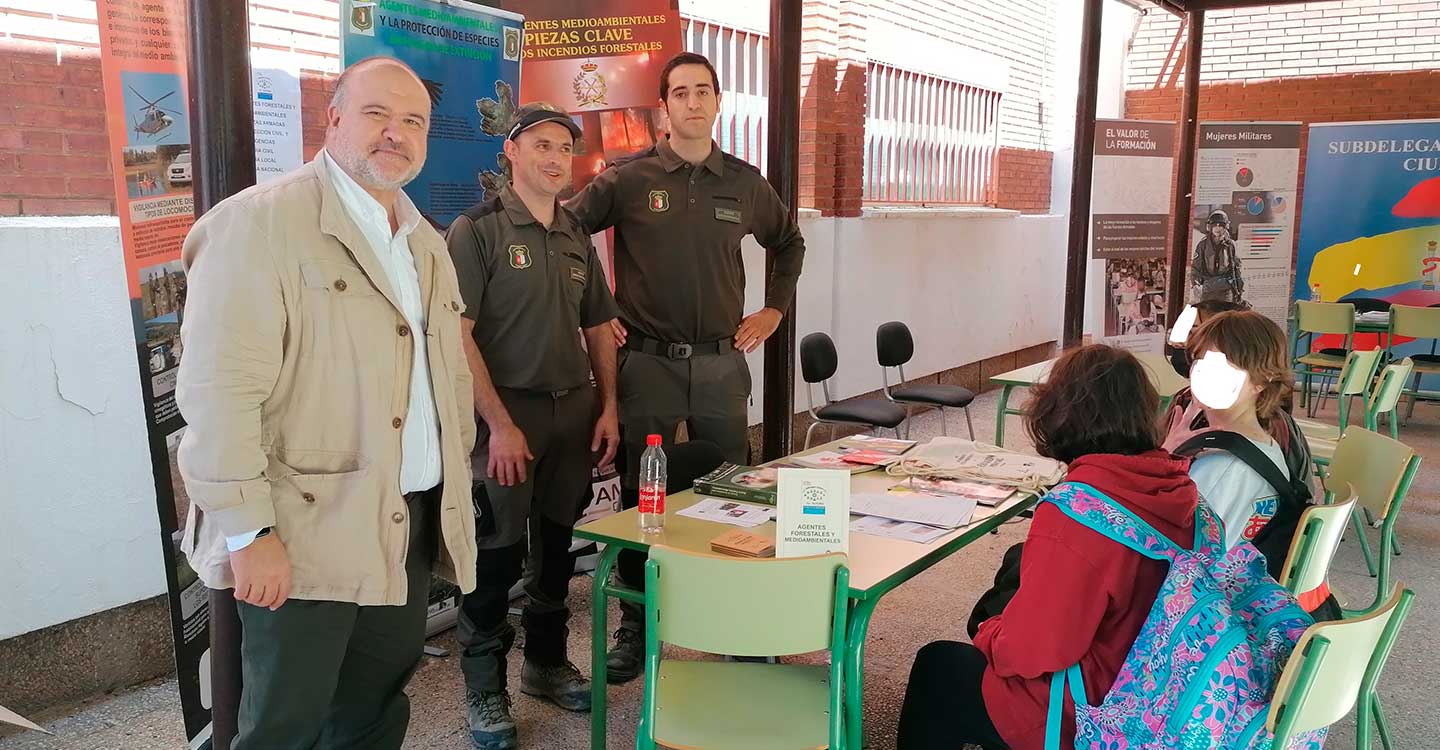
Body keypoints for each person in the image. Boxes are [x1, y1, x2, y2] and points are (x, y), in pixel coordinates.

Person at [175, 56, 478, 750]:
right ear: (334, 118)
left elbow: (446, 381)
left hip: (404, 528)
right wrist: (252, 534)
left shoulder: (424, 243)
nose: (394, 133)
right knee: (284, 727)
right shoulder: (258, 226)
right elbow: (219, 395)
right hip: (303, 538)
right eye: (376, 114)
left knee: (372, 711)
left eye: (413, 121)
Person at [565, 50, 807, 681]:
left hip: (722, 366)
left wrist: (774, 312)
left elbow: (788, 242)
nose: (693, 102)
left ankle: (735, 625)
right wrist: (597, 305)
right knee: (645, 500)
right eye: (680, 93)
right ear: (664, 106)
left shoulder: (744, 182)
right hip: (646, 366)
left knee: (735, 497)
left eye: (704, 91)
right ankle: (637, 629)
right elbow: (563, 231)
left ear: (718, 101)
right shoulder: (630, 178)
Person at [898, 345, 1199, 750]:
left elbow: (1035, 651)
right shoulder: (1179, 488)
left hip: (1085, 713)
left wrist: (990, 632)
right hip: (1157, 695)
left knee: (940, 667)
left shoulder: (1079, 511)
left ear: (1058, 415)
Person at [445, 103, 621, 750]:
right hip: (505, 418)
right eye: (541, 144)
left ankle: (545, 665)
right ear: (511, 152)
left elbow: (598, 326)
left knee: (556, 552)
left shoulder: (576, 232)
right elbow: (457, 337)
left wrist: (609, 406)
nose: (554, 157)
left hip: (572, 413)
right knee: (495, 558)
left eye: (564, 148)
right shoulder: (477, 230)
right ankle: (482, 686)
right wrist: (498, 424)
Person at [1161, 311, 1316, 588]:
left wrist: (1162, 462)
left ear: (1263, 380)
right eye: (1200, 361)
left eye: (1223, 368)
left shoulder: (1221, 467)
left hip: (1196, 606)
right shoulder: (1267, 445)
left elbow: (1164, 549)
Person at [1191, 209, 1247, 305]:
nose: (1218, 228)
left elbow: (1237, 268)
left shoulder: (1231, 245)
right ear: (1210, 227)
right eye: (1215, 225)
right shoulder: (1203, 245)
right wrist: (1196, 284)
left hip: (1225, 289)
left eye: (1221, 225)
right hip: (1207, 289)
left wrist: (1239, 290)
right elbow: (1196, 267)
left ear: (1226, 227)